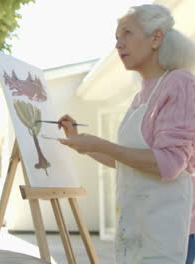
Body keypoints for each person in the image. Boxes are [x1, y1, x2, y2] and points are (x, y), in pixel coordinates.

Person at [57, 4, 195, 264]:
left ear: (156, 38)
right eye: (116, 38)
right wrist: (81, 143)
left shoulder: (179, 82)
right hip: (141, 223)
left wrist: (102, 145)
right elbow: (125, 160)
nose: (119, 44)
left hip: (173, 228)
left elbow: (170, 163)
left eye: (127, 33)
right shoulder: (141, 95)